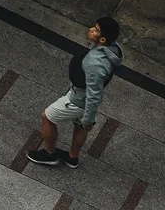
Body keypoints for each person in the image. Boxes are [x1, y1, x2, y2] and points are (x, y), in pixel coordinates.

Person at [27, 17, 123, 168]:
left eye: (96, 30)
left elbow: (94, 94)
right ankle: (72, 158)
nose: (91, 29)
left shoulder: (95, 64)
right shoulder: (113, 49)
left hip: (77, 101)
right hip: (82, 99)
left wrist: (89, 120)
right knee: (80, 127)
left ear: (103, 39)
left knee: (47, 118)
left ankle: (49, 154)